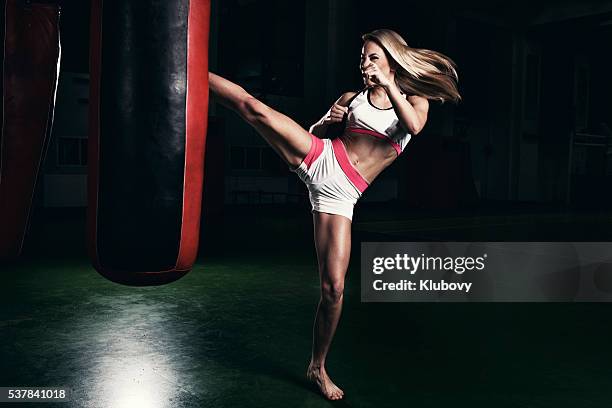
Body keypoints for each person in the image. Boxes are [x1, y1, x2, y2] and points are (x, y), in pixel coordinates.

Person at [208, 28, 461, 400]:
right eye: (362, 57)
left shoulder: (414, 100)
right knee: (254, 109)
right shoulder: (352, 98)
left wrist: (390, 85)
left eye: (373, 57)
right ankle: (187, 70)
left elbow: (414, 126)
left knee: (334, 289)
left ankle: (317, 367)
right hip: (321, 157)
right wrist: (325, 124)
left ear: (391, 60)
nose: (365, 63)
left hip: (343, 194)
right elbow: (316, 131)